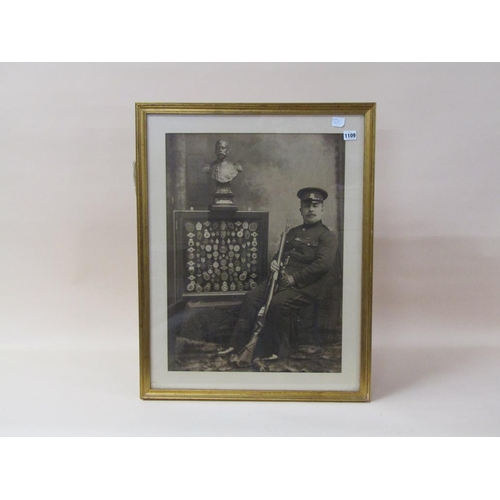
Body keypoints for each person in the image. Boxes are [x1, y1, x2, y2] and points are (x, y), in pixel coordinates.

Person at [219, 187, 337, 362]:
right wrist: (275, 262)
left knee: (277, 303)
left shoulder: (327, 236)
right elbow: (280, 255)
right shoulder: (293, 232)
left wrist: (294, 278)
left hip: (307, 286)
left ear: (322, 209)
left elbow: (322, 265)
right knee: (251, 297)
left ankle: (278, 351)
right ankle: (236, 344)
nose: (311, 209)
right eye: (307, 206)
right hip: (279, 280)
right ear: (301, 209)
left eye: (315, 205)